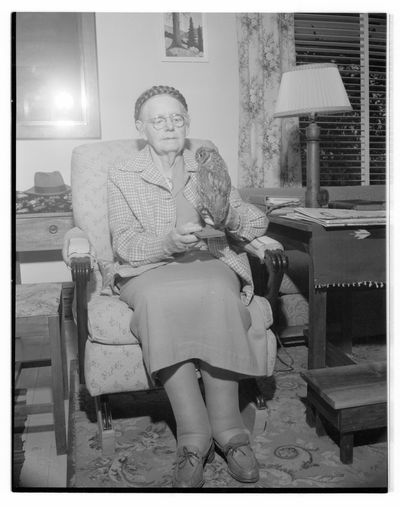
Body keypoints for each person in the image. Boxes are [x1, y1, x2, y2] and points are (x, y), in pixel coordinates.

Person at [107, 85, 270, 488]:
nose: (168, 125)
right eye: (158, 119)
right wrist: (166, 242)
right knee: (161, 300)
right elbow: (124, 241)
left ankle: (230, 431)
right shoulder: (122, 174)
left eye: (176, 117)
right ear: (140, 128)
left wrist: (227, 216)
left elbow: (255, 222)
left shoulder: (207, 164)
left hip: (209, 261)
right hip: (148, 269)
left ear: (187, 123)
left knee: (217, 292)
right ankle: (193, 436)